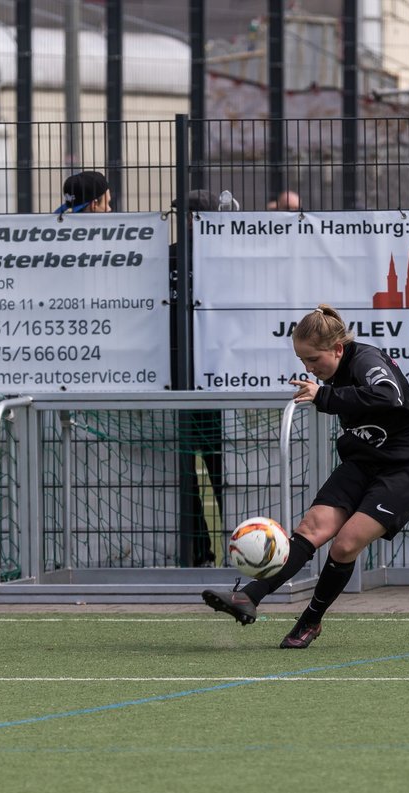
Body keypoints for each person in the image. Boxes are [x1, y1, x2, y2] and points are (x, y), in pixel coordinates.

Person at [202, 304, 409, 648]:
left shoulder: (365, 360)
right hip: (363, 460)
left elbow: (388, 395)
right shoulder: (333, 371)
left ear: (338, 349)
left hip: (406, 466)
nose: (309, 368)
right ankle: (249, 597)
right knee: (311, 528)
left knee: (345, 545)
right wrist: (326, 393)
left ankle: (310, 621)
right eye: (303, 361)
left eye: (314, 360)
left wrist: (324, 396)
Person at [170, 189, 226, 565]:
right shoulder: (225, 253)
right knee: (223, 471)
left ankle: (198, 553)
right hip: (218, 377)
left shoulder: (169, 255)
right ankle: (251, 552)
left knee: (187, 472)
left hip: (178, 378)